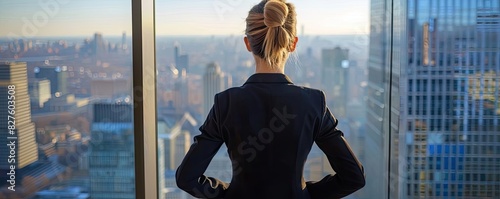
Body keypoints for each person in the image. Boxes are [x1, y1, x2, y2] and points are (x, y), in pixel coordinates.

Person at [176, 0, 366, 198]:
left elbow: (186, 178)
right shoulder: (313, 102)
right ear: (293, 43)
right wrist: (303, 194)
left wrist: (231, 194)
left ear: (247, 43)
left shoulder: (226, 103)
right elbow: (353, 177)